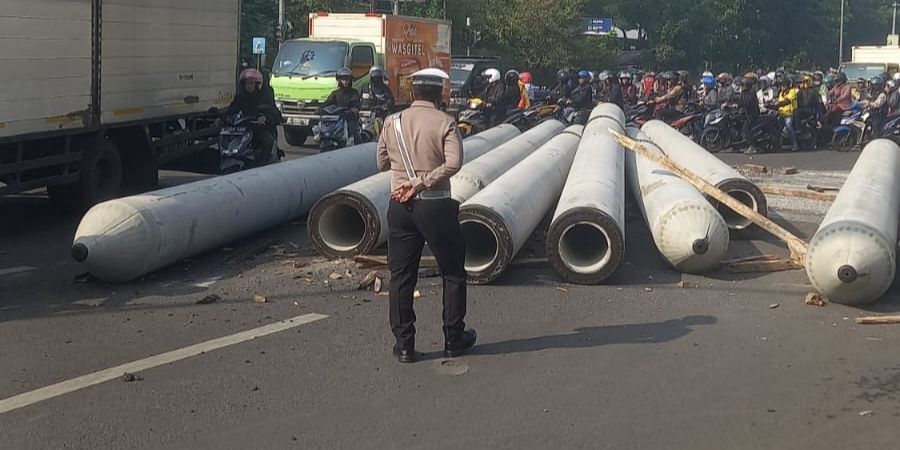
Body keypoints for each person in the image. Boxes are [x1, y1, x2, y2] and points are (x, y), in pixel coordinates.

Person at [376, 68, 476, 364]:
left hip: (399, 207)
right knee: (453, 273)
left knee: (401, 276)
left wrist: (404, 175)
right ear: (439, 94)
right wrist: (423, 180)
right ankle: (453, 339)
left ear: (412, 93)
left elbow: (381, 162)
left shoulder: (391, 122)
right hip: (435, 206)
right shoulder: (446, 122)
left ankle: (405, 345)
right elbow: (455, 163)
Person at [225, 68, 279, 165]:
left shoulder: (265, 96)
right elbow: (231, 111)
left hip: (260, 129)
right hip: (244, 131)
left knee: (267, 140)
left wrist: (265, 117)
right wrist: (221, 119)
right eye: (247, 84)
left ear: (257, 84)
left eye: (251, 83)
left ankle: (263, 164)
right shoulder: (240, 97)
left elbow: (274, 113)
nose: (249, 86)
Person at [322, 67, 362, 142]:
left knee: (354, 134)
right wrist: (320, 109)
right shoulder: (335, 93)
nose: (345, 82)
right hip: (337, 120)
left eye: (347, 79)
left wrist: (353, 109)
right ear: (339, 80)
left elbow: (356, 103)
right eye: (343, 79)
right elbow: (327, 103)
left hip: (349, 119)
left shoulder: (354, 92)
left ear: (350, 80)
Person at [770, 78, 799, 151]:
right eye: (781, 85)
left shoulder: (792, 92)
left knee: (789, 126)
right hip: (782, 114)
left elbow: (787, 101)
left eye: (784, 85)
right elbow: (778, 101)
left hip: (790, 114)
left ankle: (795, 144)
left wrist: (778, 104)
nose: (782, 87)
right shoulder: (780, 94)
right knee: (777, 128)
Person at [738, 76, 762, 154]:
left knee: (746, 128)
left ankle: (752, 146)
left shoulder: (751, 93)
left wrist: (741, 104)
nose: (741, 86)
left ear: (747, 85)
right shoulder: (743, 93)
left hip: (752, 114)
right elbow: (740, 101)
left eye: (743, 85)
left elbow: (747, 103)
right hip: (745, 113)